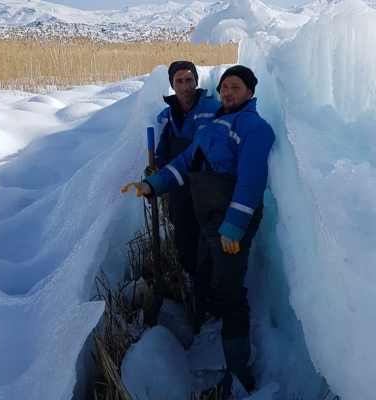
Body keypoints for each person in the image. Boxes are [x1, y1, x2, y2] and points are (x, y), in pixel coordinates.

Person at [122, 65, 275, 397]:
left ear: (249, 93)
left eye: (235, 87)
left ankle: (239, 374)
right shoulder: (213, 127)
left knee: (231, 293)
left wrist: (234, 227)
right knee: (212, 279)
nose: (227, 92)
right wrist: (150, 185)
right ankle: (211, 331)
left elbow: (251, 180)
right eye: (224, 88)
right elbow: (181, 165)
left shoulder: (254, 127)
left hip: (231, 218)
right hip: (210, 216)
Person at [150, 61, 220, 280]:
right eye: (179, 81)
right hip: (179, 185)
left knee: (206, 235)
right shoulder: (169, 114)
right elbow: (164, 143)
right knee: (182, 230)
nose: (185, 85)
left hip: (205, 183)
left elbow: (206, 147)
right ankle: (191, 280)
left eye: (189, 80)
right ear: (172, 84)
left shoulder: (212, 108)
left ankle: (208, 287)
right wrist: (157, 168)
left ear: (196, 82)